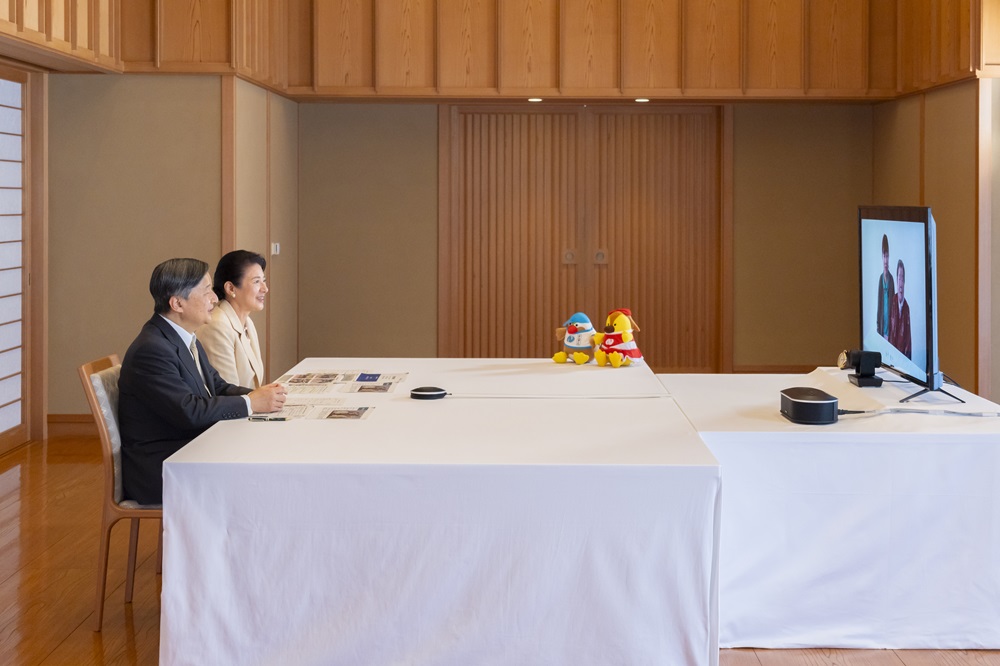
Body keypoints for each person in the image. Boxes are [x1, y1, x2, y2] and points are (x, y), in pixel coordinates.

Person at [118, 258, 287, 504]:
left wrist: (262, 397)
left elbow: (217, 387)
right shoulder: (152, 350)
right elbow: (189, 410)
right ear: (177, 303)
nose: (215, 299)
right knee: (259, 473)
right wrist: (251, 403)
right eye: (206, 291)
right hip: (162, 468)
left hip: (187, 450)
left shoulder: (184, 337)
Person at [197, 250, 268, 388]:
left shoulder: (248, 322)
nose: (265, 289)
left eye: (263, 281)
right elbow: (227, 393)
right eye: (257, 282)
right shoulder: (217, 326)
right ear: (231, 288)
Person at [889, 259, 912, 359]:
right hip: (889, 359)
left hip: (901, 363)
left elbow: (908, 341)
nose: (901, 283)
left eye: (902, 278)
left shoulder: (906, 308)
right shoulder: (891, 302)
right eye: (899, 278)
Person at [876, 234, 894, 340]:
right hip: (882, 332)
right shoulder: (880, 279)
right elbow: (879, 307)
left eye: (887, 256)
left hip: (890, 333)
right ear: (881, 257)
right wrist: (878, 331)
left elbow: (894, 310)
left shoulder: (891, 280)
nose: (886, 260)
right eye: (884, 256)